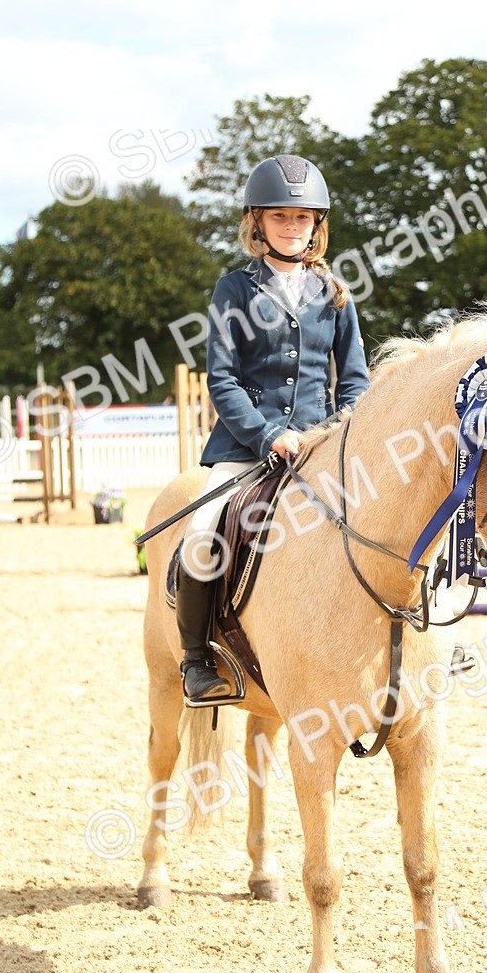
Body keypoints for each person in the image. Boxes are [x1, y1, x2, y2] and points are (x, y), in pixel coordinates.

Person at [175, 154, 371, 705]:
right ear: (256, 222)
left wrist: (333, 433)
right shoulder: (233, 290)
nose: (292, 227)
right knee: (202, 531)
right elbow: (223, 378)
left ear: (317, 226)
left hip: (321, 446)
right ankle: (197, 660)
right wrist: (267, 436)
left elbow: (353, 380)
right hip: (246, 447)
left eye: (302, 218)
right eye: (280, 217)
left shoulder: (335, 294)